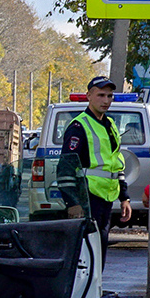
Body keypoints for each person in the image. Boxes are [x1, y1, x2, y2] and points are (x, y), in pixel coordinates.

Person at [56, 75, 133, 255]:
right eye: (101, 95)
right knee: (87, 253)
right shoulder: (78, 126)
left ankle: (97, 284)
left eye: (109, 96)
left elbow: (115, 164)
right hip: (88, 197)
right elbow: (65, 168)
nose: (106, 100)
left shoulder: (110, 124)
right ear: (89, 96)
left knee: (99, 250)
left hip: (107, 197)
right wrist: (73, 203)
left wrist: (124, 197)